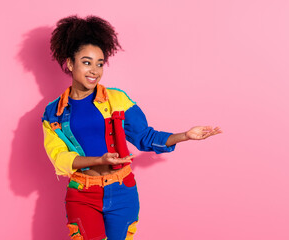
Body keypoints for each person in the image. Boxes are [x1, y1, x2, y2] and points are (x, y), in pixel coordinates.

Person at [42, 15, 222, 240]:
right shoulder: (53, 113)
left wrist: (185, 135)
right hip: (82, 194)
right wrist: (100, 160)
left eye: (100, 64)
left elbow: (145, 137)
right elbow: (60, 158)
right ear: (70, 63)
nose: (94, 71)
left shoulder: (118, 100)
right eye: (87, 62)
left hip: (122, 192)